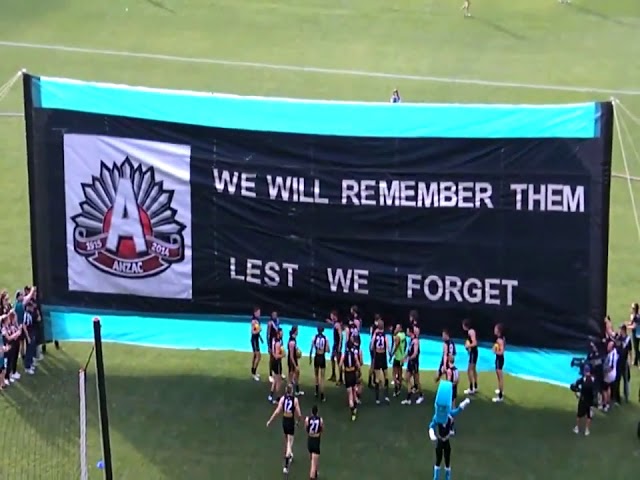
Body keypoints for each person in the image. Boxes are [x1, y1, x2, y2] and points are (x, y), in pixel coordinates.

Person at [428, 381, 471, 480]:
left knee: (447, 461)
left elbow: (457, 411)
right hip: (440, 441)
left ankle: (448, 478)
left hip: (446, 442)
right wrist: (432, 433)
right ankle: (436, 478)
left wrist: (464, 403)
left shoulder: (448, 415)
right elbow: (431, 425)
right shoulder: (437, 417)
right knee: (438, 460)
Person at [266, 383, 302, 475]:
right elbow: (299, 413)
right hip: (290, 421)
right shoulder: (295, 400)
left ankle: (290, 453)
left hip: (284, 420)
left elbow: (277, 411)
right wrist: (298, 420)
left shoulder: (282, 399)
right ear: (292, 391)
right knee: (290, 442)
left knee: (287, 439)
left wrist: (270, 421)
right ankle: (286, 463)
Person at [401, 325, 425, 405]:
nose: (406, 332)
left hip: (414, 363)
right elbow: (409, 351)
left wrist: (408, 359)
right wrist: (404, 358)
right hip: (410, 363)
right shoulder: (410, 340)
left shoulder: (415, 341)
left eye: (407, 330)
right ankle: (409, 397)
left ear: (410, 331)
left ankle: (421, 396)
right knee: (406, 378)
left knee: (416, 380)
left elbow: (415, 353)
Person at [370, 316, 390, 404]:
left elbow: (371, 345)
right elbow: (388, 346)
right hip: (383, 356)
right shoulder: (385, 335)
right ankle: (386, 395)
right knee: (386, 375)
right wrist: (390, 354)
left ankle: (377, 399)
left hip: (377, 355)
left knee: (377, 378)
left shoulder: (375, 334)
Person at [340, 339, 360, 421]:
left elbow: (340, 364)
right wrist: (357, 370)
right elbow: (358, 364)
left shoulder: (344, 355)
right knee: (354, 390)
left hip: (347, 374)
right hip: (353, 373)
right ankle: (355, 406)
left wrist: (343, 370)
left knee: (350, 395)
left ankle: (353, 412)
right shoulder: (354, 354)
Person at [572, 364, 595, 436]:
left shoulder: (582, 379)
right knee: (589, 415)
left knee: (579, 415)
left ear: (584, 371)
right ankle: (586, 430)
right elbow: (595, 390)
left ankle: (577, 428)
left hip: (583, 400)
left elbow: (574, 386)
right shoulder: (593, 379)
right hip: (590, 401)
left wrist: (577, 393)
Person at [310, 326, 329, 402]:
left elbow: (311, 348)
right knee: (322, 378)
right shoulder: (326, 338)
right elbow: (328, 349)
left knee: (316, 376)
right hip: (322, 357)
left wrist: (310, 358)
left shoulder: (314, 337)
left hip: (316, 357)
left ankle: (316, 391)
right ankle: (322, 395)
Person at [305, 405, 323, 480]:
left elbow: (306, 428)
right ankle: (313, 476)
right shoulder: (320, 420)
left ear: (311, 412)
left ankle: (315, 472)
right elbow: (322, 429)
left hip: (310, 440)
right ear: (317, 412)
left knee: (312, 458)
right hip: (316, 440)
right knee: (313, 463)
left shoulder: (307, 419)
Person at [462, 319, 479, 395]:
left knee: (469, 370)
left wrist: (468, 345)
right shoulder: (471, 331)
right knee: (474, 370)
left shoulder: (470, 332)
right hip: (473, 352)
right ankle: (475, 386)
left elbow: (475, 343)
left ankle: (471, 388)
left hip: (474, 353)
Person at [268, 328, 285, 404]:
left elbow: (272, 352)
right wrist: (283, 355)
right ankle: (278, 398)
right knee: (279, 381)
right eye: (281, 333)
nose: (282, 334)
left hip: (273, 362)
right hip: (277, 363)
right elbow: (277, 356)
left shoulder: (273, 340)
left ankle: (271, 395)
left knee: (275, 379)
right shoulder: (278, 343)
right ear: (278, 333)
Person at [391, 323, 407, 397]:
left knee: (394, 374)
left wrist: (392, 354)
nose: (396, 329)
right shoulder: (403, 335)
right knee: (400, 373)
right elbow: (405, 344)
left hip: (397, 357)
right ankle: (399, 389)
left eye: (397, 328)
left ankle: (395, 390)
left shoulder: (397, 337)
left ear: (400, 328)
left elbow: (396, 346)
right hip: (402, 357)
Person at [602, 339, 618, 412]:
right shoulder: (615, 352)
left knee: (604, 390)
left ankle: (605, 405)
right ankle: (608, 403)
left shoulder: (612, 355)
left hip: (609, 374)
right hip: (614, 374)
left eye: (609, 346)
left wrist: (605, 372)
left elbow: (610, 367)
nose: (608, 346)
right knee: (608, 388)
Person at [327, 311, 342, 384]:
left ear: (335, 316)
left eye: (331, 316)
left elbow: (341, 335)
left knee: (338, 361)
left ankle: (341, 378)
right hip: (335, 344)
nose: (331, 317)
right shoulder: (335, 324)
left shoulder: (337, 325)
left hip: (337, 345)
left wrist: (339, 346)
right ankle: (334, 375)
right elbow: (333, 324)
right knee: (332, 358)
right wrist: (330, 322)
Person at [287, 326, 304, 396]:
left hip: (294, 359)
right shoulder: (292, 342)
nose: (298, 332)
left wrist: (297, 349)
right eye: (297, 330)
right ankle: (288, 393)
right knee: (291, 376)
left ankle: (296, 390)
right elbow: (291, 355)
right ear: (295, 331)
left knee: (297, 373)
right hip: (292, 361)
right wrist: (294, 365)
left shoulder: (293, 340)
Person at [492, 324, 506, 403]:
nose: (494, 330)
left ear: (498, 331)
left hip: (499, 359)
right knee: (498, 376)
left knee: (500, 377)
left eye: (495, 329)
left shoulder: (499, 340)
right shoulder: (501, 339)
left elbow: (502, 351)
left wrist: (495, 351)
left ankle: (500, 396)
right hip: (498, 359)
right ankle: (500, 389)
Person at [250, 307, 264, 381]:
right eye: (258, 312)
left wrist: (260, 338)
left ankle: (253, 371)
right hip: (254, 340)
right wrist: (259, 330)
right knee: (258, 356)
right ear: (255, 313)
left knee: (255, 356)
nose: (259, 314)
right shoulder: (254, 321)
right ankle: (253, 373)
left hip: (256, 340)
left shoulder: (257, 320)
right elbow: (253, 332)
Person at [267, 311, 280, 383]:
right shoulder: (270, 323)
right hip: (272, 342)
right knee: (272, 358)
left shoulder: (278, 321)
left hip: (277, 341)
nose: (275, 316)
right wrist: (269, 346)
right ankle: (270, 374)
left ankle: (278, 372)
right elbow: (268, 335)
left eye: (276, 314)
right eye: (273, 315)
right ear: (271, 316)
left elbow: (278, 331)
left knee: (278, 357)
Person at [627, 303, 639, 367]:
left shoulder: (637, 316)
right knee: (635, 347)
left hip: (637, 333)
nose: (631, 309)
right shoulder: (633, 315)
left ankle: (637, 361)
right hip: (635, 332)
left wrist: (627, 327)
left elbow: (634, 326)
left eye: (632, 308)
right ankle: (635, 361)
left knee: (636, 348)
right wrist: (628, 324)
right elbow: (631, 322)